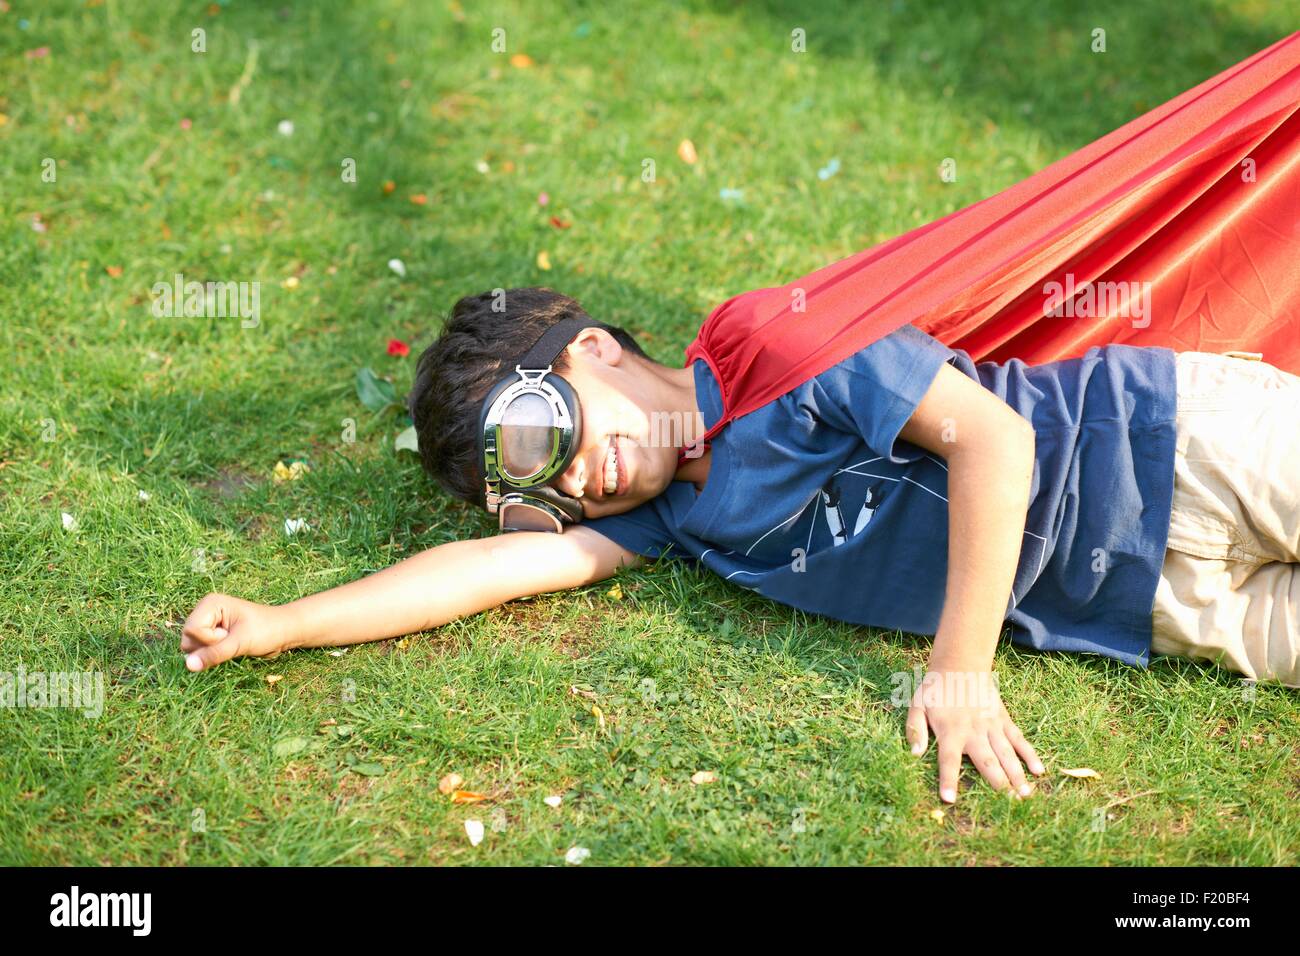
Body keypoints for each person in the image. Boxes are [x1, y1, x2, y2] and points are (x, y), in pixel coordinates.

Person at [180, 287, 1300, 804]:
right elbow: (481, 570)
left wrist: (958, 669)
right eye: (534, 487)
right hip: (1136, 602)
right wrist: (285, 623)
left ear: (594, 352)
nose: (574, 479)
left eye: (543, 434)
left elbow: (996, 444)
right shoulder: (672, 518)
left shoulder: (776, 343)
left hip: (1173, 442)